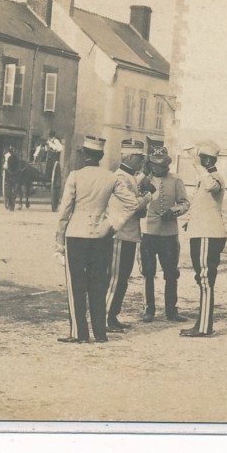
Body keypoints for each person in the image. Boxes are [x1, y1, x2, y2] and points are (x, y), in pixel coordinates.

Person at [54, 135, 140, 344]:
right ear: (101, 155)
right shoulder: (111, 177)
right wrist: (113, 224)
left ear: (84, 154)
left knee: (76, 286)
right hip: (102, 236)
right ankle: (100, 333)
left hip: (76, 235)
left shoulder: (75, 176)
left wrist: (58, 240)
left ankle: (79, 333)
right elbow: (132, 203)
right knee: (98, 284)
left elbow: (64, 211)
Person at [105, 139, 154, 332]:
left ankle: (112, 315)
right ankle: (106, 317)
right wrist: (148, 196)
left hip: (129, 234)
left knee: (123, 279)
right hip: (120, 234)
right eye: (140, 158)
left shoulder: (129, 177)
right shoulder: (120, 178)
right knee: (115, 278)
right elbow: (133, 204)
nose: (142, 161)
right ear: (130, 156)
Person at [180, 141, 227, 338]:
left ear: (207, 159)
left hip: (208, 234)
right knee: (202, 279)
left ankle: (204, 327)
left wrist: (198, 166)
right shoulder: (206, 177)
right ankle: (202, 322)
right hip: (201, 232)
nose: (195, 162)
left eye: (200, 159)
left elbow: (211, 186)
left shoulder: (213, 177)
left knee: (206, 280)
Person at [139, 145, 190, 323]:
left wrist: (174, 211)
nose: (157, 168)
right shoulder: (143, 180)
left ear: (167, 164)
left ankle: (171, 310)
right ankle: (149, 309)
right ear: (149, 164)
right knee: (148, 272)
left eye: (161, 165)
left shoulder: (176, 180)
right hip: (148, 231)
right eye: (153, 164)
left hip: (169, 233)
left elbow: (185, 203)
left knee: (171, 272)